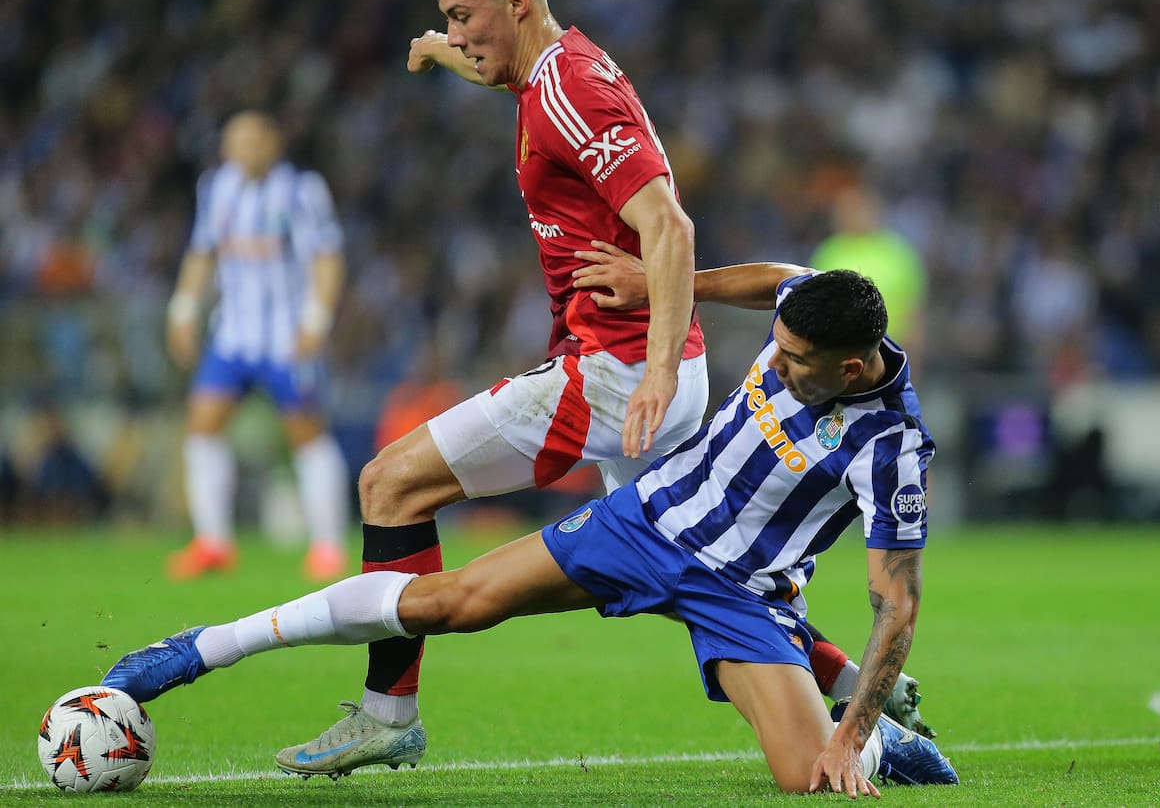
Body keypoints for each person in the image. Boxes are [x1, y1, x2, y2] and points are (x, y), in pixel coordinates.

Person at [101, 266, 957, 796]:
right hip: (641, 523)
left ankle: (877, 736)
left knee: (810, 779)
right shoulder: (816, 308)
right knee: (450, 602)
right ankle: (198, 650)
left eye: (795, 363)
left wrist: (851, 737)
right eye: (777, 345)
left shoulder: (891, 449)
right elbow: (774, 278)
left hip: (742, 596)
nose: (776, 361)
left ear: (852, 367)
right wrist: (675, 285)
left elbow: (900, 604)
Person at [263, 0, 712, 777]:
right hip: (646, 365)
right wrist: (442, 50)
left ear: (517, 1)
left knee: (388, 484)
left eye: (465, 14)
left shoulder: (572, 89)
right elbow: (501, 72)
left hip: (613, 373)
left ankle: (387, 712)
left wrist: (651, 369)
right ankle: (859, 689)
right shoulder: (551, 67)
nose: (461, 31)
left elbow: (671, 227)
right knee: (688, 561)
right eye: (447, 16)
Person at [163, 110, 351, 582]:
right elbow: (202, 251)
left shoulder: (301, 190)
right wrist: (184, 309)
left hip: (286, 336)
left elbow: (327, 257)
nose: (245, 149)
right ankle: (213, 542)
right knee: (203, 426)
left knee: (306, 433)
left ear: (274, 143)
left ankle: (328, 546)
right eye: (236, 140)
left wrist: (316, 319)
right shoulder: (216, 186)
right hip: (233, 335)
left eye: (253, 139)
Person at [809, 182, 928, 376]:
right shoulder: (828, 252)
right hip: (840, 356)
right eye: (845, 210)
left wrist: (914, 364)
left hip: (890, 354)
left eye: (858, 208)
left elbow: (914, 312)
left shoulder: (899, 253)